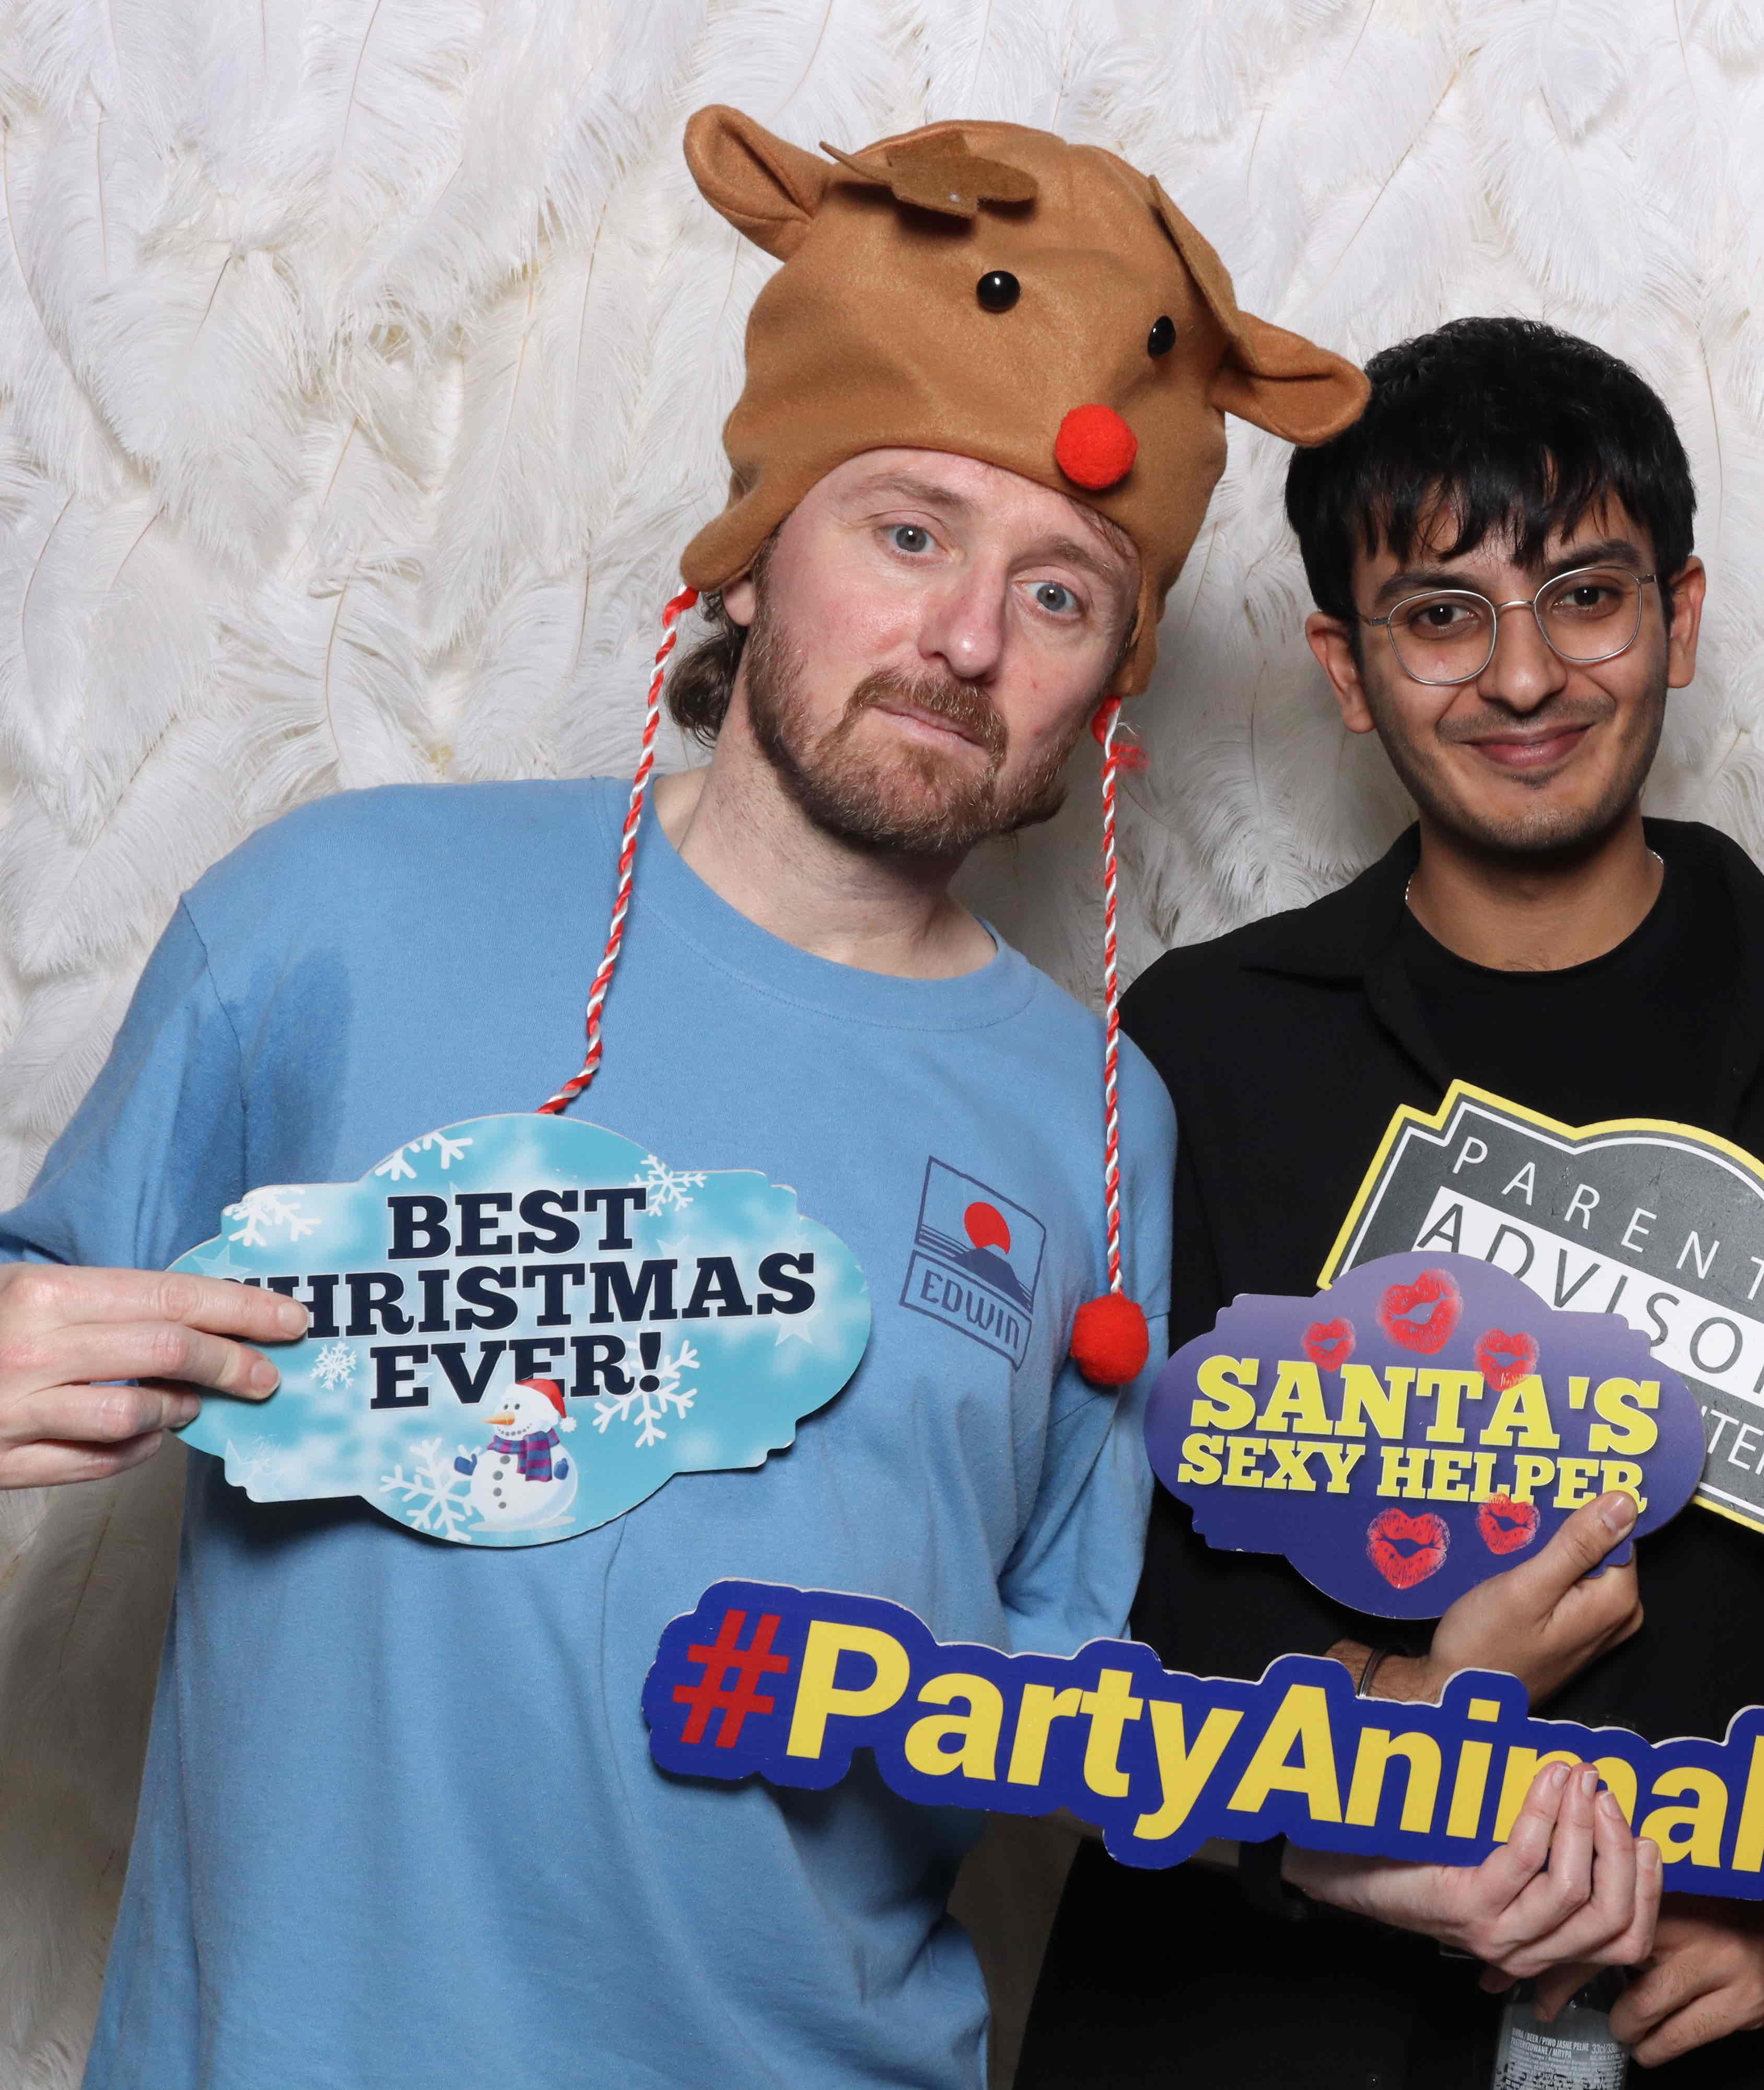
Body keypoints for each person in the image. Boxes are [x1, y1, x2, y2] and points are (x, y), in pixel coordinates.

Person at [0, 108, 1371, 2089]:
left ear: (1109, 689)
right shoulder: (335, 915)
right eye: (909, 533)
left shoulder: (1100, 1123)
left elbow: (1062, 1696)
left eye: (1062, 594)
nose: (967, 641)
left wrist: (1369, 1796)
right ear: (749, 559)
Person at [1027, 316, 1764, 2088]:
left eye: (1588, 598)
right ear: (1346, 667)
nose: (1525, 677)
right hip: (1263, 2019)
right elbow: (1088, 1565)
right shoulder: (1203, 1048)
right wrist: (1394, 1722)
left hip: (1713, 2033)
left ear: (1679, 619)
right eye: (1442, 615)